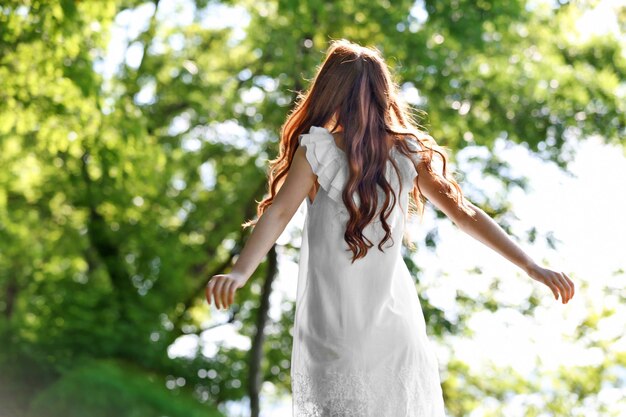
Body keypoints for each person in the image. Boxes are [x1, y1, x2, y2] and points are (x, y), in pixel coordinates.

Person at [205, 38, 575, 416]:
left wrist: (532, 266)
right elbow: (465, 214)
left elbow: (464, 213)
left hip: (358, 335)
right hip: (358, 334)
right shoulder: (331, 151)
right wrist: (239, 271)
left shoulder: (378, 153)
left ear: (329, 93)